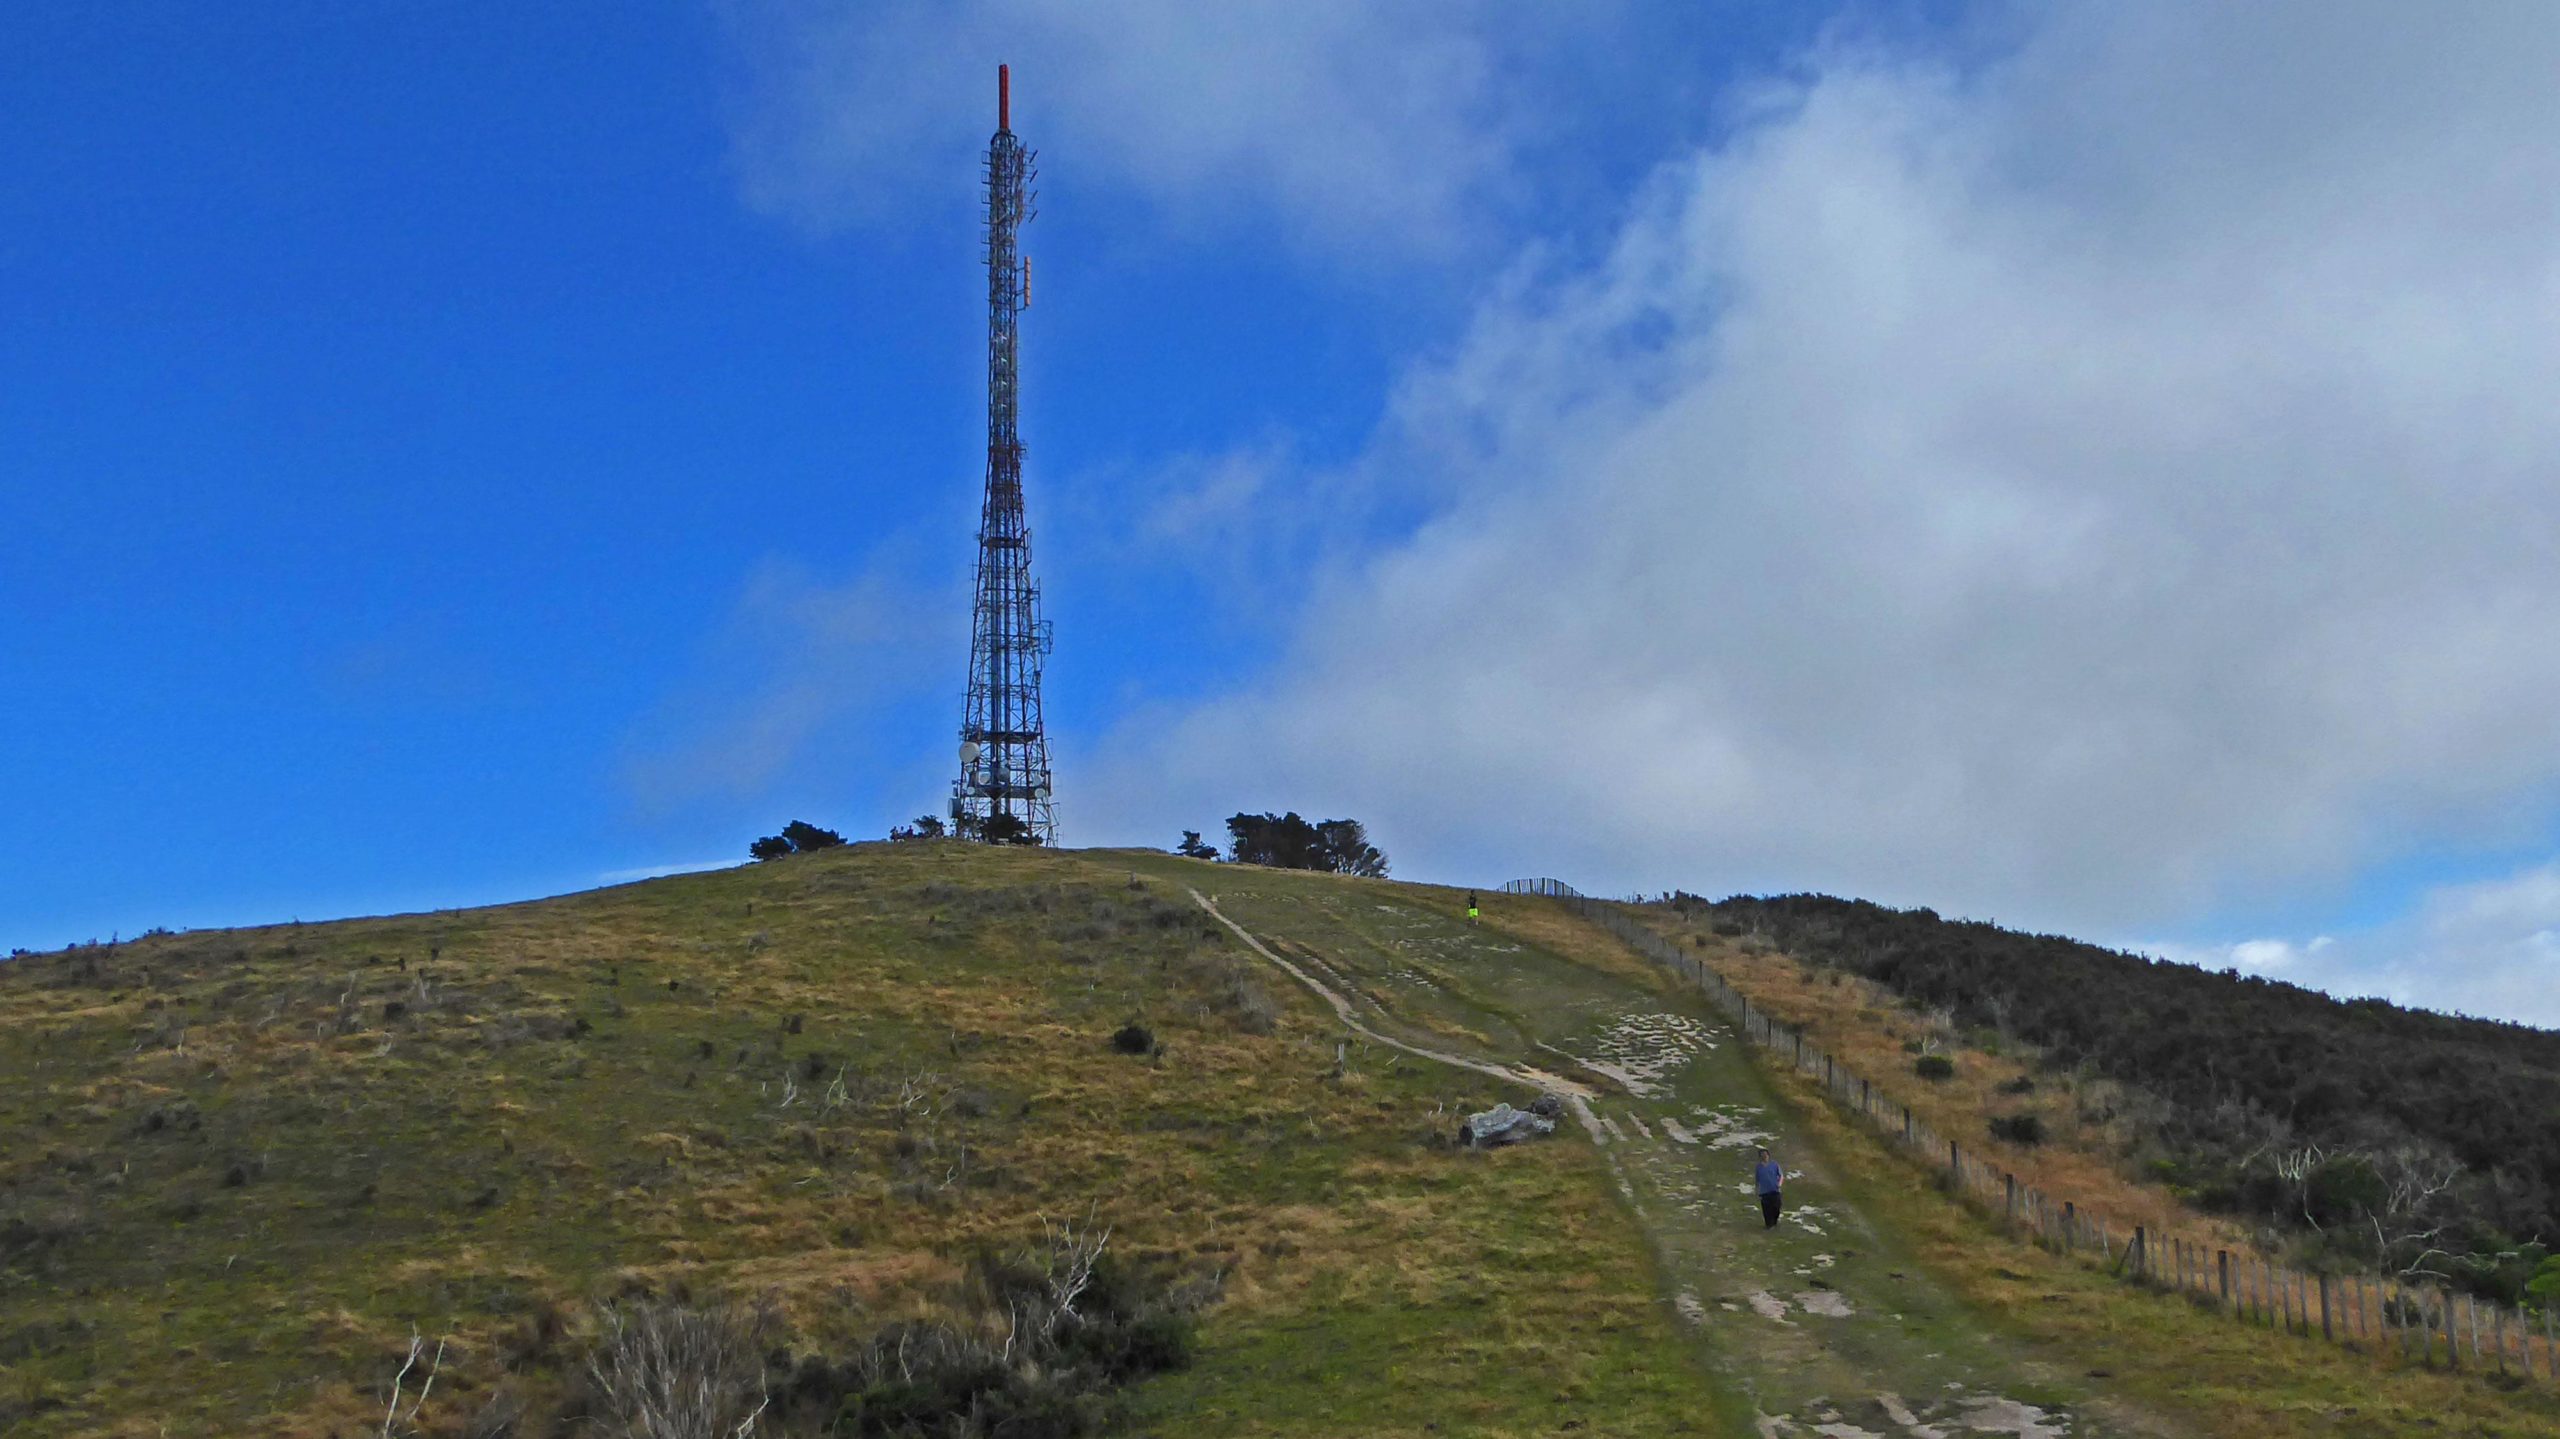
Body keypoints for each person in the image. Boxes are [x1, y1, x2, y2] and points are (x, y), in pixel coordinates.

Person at [1754, 1146, 1784, 1229]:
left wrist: (1779, 1184)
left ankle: (1774, 1221)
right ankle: (1769, 1225)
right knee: (1767, 1210)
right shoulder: (1758, 1167)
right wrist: (1757, 1190)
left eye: (1765, 1154)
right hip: (1764, 1192)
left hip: (1775, 1190)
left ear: (1768, 1155)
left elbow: (1781, 1175)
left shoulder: (1774, 1164)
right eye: (1762, 1155)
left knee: (1777, 1207)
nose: (1764, 1156)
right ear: (1760, 1157)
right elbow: (1757, 1180)